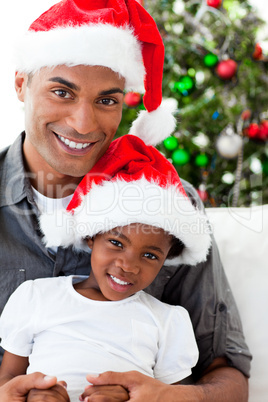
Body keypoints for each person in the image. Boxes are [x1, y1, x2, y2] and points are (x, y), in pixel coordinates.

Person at [0, 0, 251, 400]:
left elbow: (229, 376)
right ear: (20, 85)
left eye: (106, 100)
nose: (83, 124)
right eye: (61, 92)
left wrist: (173, 396)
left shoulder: (170, 204)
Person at [0, 134, 209, 401]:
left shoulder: (166, 321)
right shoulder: (37, 297)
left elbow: (176, 394)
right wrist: (32, 393)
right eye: (115, 243)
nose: (128, 265)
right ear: (90, 236)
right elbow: (8, 379)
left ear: (167, 259)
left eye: (150, 255)